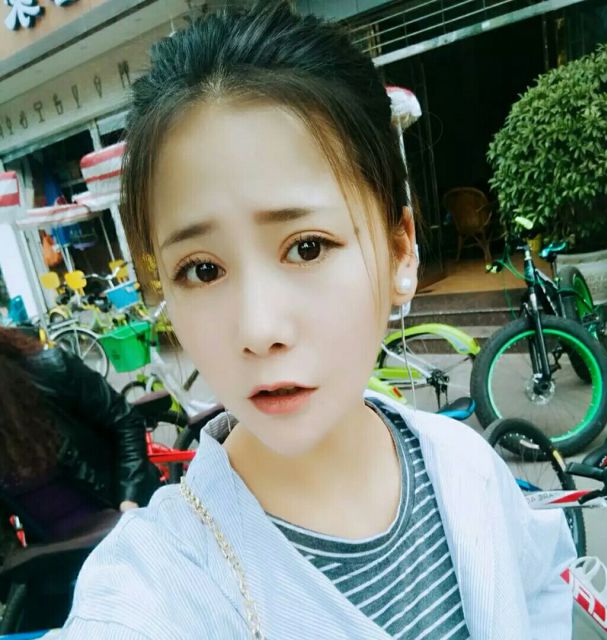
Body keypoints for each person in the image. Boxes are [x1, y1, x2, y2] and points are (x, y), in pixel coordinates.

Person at [60, 3, 575, 639]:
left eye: (307, 247)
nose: (259, 329)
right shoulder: (154, 588)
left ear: (400, 251)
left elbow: (542, 596)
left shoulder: (465, 465)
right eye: (202, 269)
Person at [0, 326, 161, 556]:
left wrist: (129, 501)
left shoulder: (52, 369)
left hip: (121, 521)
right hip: (60, 557)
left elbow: (125, 421)